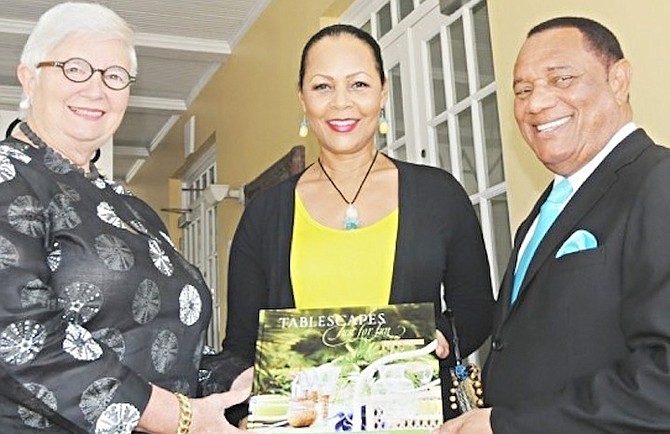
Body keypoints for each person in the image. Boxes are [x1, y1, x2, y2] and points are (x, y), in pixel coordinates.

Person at [216, 23, 494, 423]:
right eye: (322, 86)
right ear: (302, 98)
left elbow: (478, 309)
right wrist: (246, 412)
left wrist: (440, 335)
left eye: (359, 84)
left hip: (416, 420)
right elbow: (241, 344)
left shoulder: (440, 195)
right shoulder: (265, 214)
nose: (341, 103)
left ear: (384, 92)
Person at [0, 2, 250, 433]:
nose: (96, 90)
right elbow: (20, 342)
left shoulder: (133, 210)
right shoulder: (10, 176)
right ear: (29, 76)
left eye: (114, 76)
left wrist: (234, 384)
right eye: (75, 68)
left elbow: (160, 346)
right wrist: (182, 418)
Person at [435, 16, 670, 434]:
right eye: (522, 91)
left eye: (561, 79)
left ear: (619, 79)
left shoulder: (659, 181)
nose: (536, 103)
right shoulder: (545, 211)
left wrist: (508, 425)